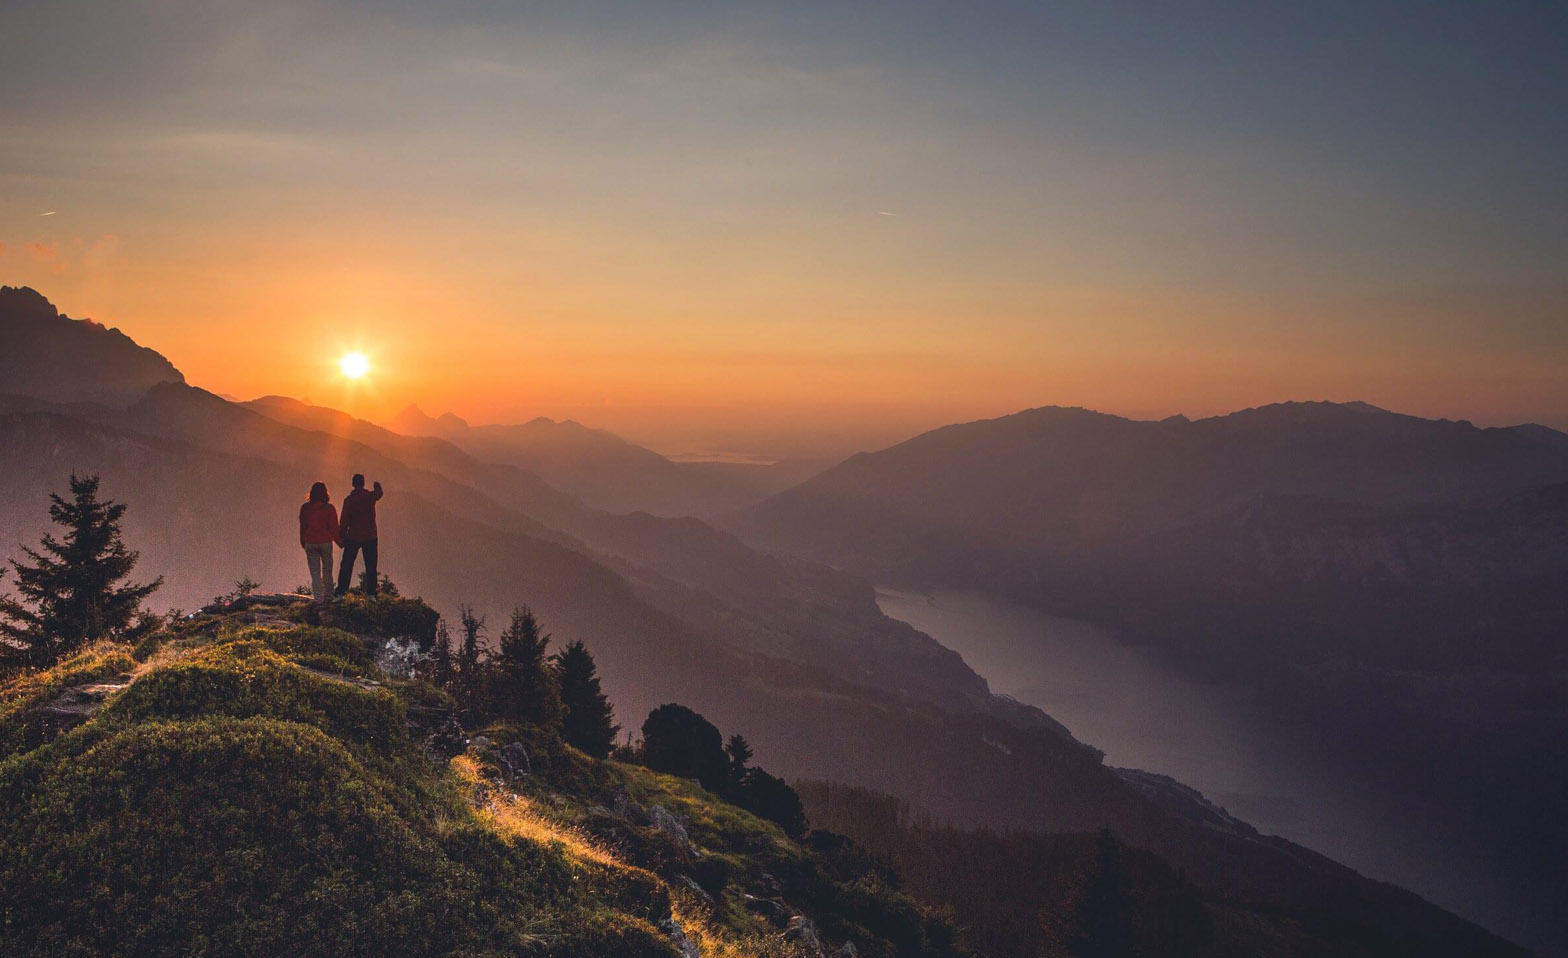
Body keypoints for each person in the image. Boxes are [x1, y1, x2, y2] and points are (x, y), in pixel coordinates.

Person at [336, 473, 384, 597]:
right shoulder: (369, 497)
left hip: (353, 536)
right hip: (370, 536)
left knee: (346, 565)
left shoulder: (349, 501)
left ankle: (341, 591)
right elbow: (378, 494)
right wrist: (377, 486)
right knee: (371, 566)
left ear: (353, 484)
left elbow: (344, 521)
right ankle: (371, 594)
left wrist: (341, 538)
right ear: (363, 483)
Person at [298, 482, 339, 604]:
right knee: (327, 570)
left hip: (310, 542)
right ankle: (329, 596)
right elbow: (334, 528)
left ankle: (318, 599)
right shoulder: (329, 508)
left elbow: (303, 526)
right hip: (325, 542)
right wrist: (340, 542)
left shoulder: (305, 508)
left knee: (315, 572)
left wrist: (303, 541)